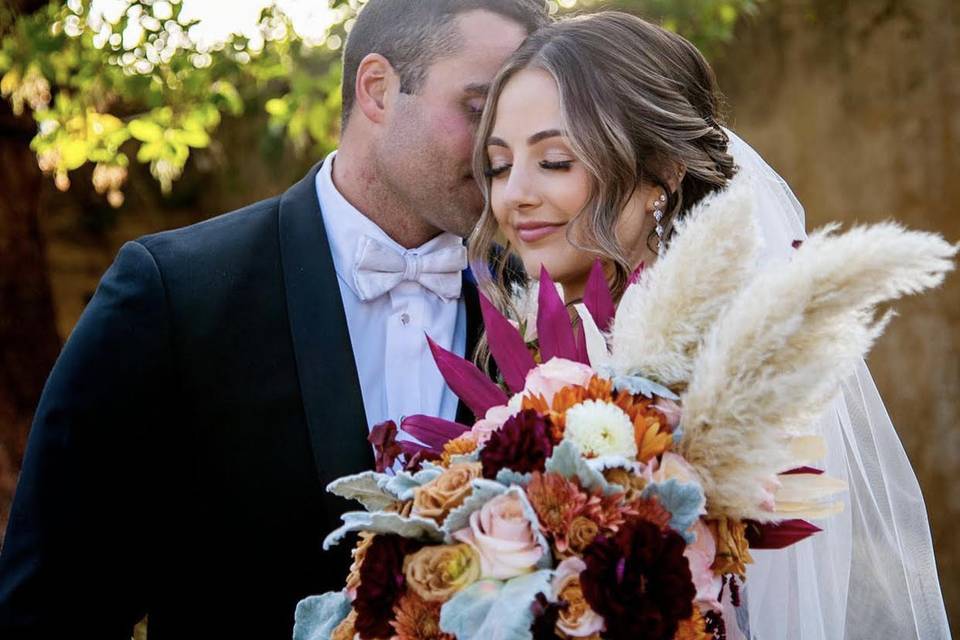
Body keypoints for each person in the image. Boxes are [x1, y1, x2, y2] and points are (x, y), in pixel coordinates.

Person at [0, 1, 548, 638]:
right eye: (480, 112)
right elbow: (52, 604)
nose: (501, 153)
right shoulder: (175, 294)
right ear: (377, 90)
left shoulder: (546, 306)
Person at [467, 11, 951, 639]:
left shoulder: (728, 380)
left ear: (661, 177)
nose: (514, 197)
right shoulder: (530, 342)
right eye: (501, 166)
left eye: (555, 160)